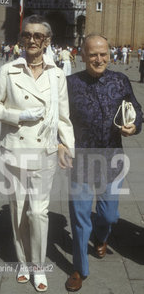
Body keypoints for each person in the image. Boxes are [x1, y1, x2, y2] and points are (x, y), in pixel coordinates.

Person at [0, 14, 74, 292]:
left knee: (38, 213)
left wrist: (67, 147)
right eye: (27, 35)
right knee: (18, 211)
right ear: (21, 39)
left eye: (38, 36)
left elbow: (63, 117)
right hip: (14, 150)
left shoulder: (57, 74)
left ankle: (38, 266)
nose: (32, 40)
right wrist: (20, 115)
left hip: (44, 152)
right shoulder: (8, 71)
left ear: (47, 41)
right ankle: (23, 262)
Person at [59, 33, 143, 292]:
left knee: (109, 215)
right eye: (93, 54)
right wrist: (60, 143)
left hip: (112, 161)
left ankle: (102, 236)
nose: (99, 59)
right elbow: (57, 118)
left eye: (103, 53)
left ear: (110, 54)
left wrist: (135, 126)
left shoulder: (120, 81)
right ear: (82, 55)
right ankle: (79, 269)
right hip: (81, 161)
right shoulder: (69, 83)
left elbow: (137, 110)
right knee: (80, 218)